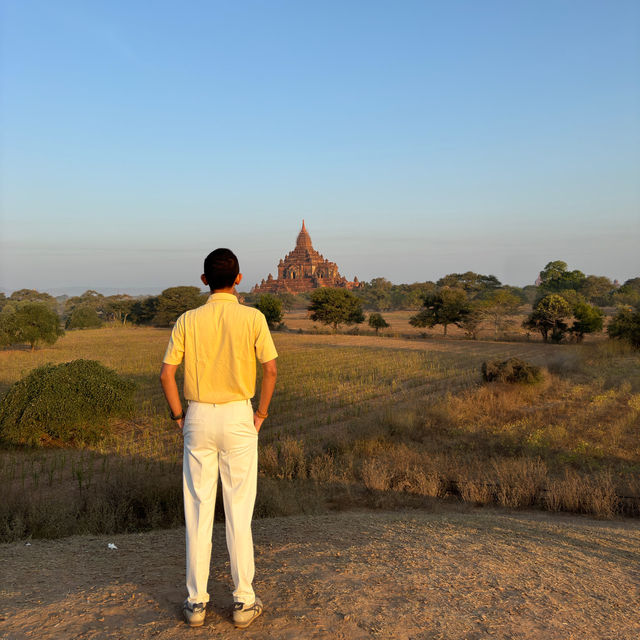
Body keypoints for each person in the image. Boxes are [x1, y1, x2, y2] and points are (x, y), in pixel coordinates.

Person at [160, 248, 278, 629]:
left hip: (197, 415)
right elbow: (271, 370)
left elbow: (166, 375)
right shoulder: (254, 317)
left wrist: (181, 416)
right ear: (240, 278)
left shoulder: (187, 320)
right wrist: (260, 414)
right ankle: (244, 600)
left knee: (197, 511)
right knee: (238, 512)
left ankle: (196, 603)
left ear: (204, 280)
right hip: (240, 415)